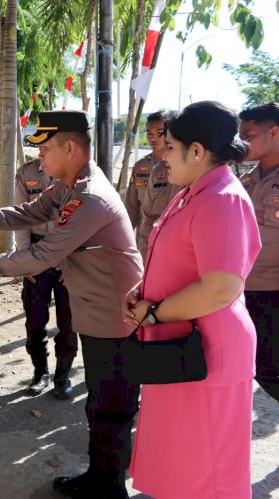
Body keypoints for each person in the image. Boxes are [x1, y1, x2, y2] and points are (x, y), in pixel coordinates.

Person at [0, 111, 143, 499]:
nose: (40, 156)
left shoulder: (90, 197)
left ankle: (111, 487)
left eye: (46, 148)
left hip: (116, 314)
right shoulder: (66, 186)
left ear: (70, 148)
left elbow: (44, 253)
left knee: (112, 408)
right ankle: (98, 477)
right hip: (95, 307)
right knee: (100, 405)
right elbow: (27, 213)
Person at [123, 101, 261, 499]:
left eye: (169, 147)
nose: (162, 157)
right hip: (182, 346)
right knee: (181, 461)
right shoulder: (194, 193)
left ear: (196, 151)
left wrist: (154, 312)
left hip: (207, 353)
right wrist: (144, 292)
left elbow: (221, 287)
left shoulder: (222, 198)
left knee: (207, 472)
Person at [14, 158, 77, 399]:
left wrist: (70, 258)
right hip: (36, 252)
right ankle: (40, 372)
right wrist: (24, 259)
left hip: (68, 254)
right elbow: (20, 217)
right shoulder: (26, 173)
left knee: (68, 319)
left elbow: (85, 219)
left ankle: (63, 375)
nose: (44, 151)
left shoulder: (77, 173)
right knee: (35, 318)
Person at [238, 102, 279, 404]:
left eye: (248, 135)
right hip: (247, 291)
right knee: (260, 368)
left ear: (274, 132)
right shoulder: (248, 180)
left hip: (274, 294)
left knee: (268, 370)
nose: (241, 143)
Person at [123, 111, 182, 258]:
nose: (153, 138)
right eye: (149, 133)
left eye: (159, 133)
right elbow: (131, 207)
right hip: (144, 239)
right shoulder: (140, 166)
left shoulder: (180, 166)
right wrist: (123, 242)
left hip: (171, 238)